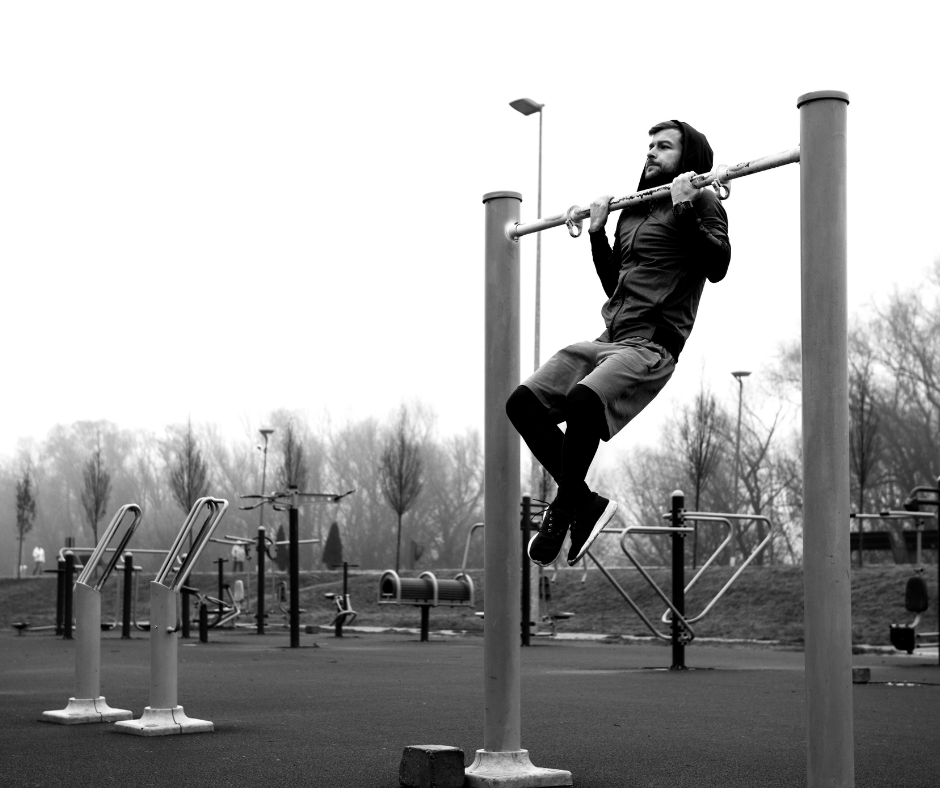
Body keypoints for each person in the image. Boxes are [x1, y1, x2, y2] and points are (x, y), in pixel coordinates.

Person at [507, 120, 731, 568]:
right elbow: (616, 284)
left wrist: (685, 208)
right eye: (649, 145)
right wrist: (596, 232)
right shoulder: (634, 211)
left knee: (583, 400)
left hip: (651, 346)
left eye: (663, 147)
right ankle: (583, 504)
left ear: (686, 157)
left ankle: (564, 508)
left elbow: (717, 265)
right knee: (522, 403)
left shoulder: (700, 197)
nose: (651, 153)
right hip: (608, 338)